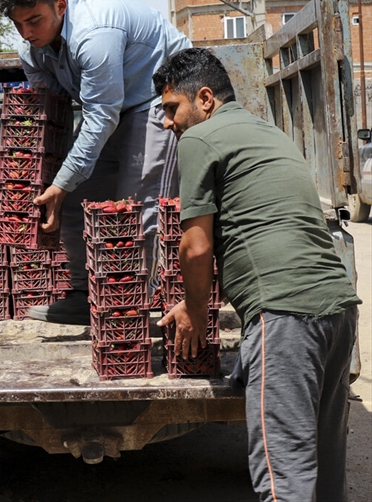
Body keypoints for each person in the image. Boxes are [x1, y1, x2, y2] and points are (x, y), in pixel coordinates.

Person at [153, 47, 360, 502]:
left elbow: (196, 245)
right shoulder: (268, 132)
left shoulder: (199, 140)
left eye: (172, 108)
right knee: (323, 476)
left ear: (205, 99)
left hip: (285, 317)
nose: (167, 123)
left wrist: (193, 309)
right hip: (338, 312)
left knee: (283, 477)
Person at [0, 0, 191, 324]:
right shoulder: (31, 50)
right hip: (111, 106)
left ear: (60, 5)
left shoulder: (95, 34)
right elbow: (56, 113)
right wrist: (46, 176)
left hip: (156, 98)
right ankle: (87, 294)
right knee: (70, 199)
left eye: (34, 20)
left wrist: (62, 180)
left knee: (137, 208)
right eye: (18, 23)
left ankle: (130, 308)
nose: (26, 33)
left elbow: (101, 116)